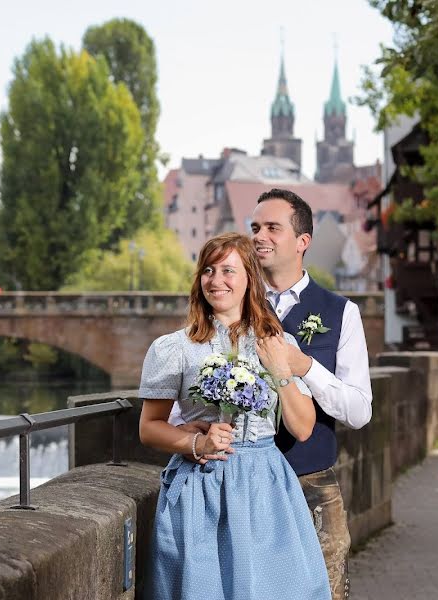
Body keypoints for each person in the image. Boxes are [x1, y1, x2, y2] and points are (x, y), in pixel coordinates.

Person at [169, 188, 372, 600]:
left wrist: (306, 367)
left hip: (309, 482)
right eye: (255, 227)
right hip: (235, 485)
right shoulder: (228, 301)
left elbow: (359, 409)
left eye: (272, 228)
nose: (259, 236)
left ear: (302, 241)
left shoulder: (339, 312)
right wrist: (189, 429)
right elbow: (184, 394)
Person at [139, 232, 332, 600]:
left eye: (228, 270)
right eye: (208, 270)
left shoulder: (279, 343)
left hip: (265, 487)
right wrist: (195, 441)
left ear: (248, 278)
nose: (216, 280)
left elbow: (303, 427)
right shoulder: (173, 349)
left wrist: (280, 370)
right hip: (202, 484)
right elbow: (148, 429)